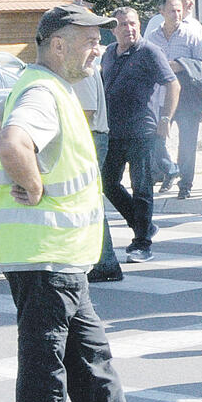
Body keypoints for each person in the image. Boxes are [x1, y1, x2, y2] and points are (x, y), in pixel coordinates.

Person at [0, 4, 180, 402]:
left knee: (90, 354)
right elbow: (11, 143)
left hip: (61, 255)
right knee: (45, 365)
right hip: (43, 253)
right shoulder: (43, 91)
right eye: (90, 39)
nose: (100, 46)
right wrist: (30, 186)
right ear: (58, 45)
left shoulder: (43, 87)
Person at [101, 7, 179, 264]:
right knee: (108, 182)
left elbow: (172, 83)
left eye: (133, 23)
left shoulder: (148, 51)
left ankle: (142, 243)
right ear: (114, 29)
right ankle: (141, 223)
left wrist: (166, 118)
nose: (129, 28)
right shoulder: (110, 53)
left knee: (142, 186)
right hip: (114, 131)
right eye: (123, 24)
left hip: (143, 131)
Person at [147, 0, 202, 199]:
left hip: (187, 95)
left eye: (179, 11)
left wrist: (180, 64)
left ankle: (186, 184)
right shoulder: (152, 37)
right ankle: (169, 169)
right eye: (172, 11)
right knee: (155, 138)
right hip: (160, 96)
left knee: (187, 142)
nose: (176, 14)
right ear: (161, 12)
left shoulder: (191, 35)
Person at [73, 66, 123, 282]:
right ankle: (101, 260)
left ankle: (105, 262)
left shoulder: (81, 69)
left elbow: (86, 111)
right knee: (86, 201)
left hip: (89, 136)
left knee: (88, 202)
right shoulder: (79, 67)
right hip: (91, 136)